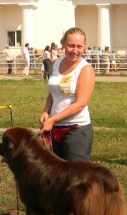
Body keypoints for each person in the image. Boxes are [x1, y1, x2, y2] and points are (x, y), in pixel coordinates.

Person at [40, 27, 96, 162]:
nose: (75, 50)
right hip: (55, 128)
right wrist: (46, 112)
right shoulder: (55, 63)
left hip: (76, 130)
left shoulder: (85, 69)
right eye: (71, 46)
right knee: (58, 175)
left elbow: (80, 104)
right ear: (63, 44)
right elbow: (53, 93)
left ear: (84, 46)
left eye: (79, 46)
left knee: (77, 178)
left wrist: (53, 120)